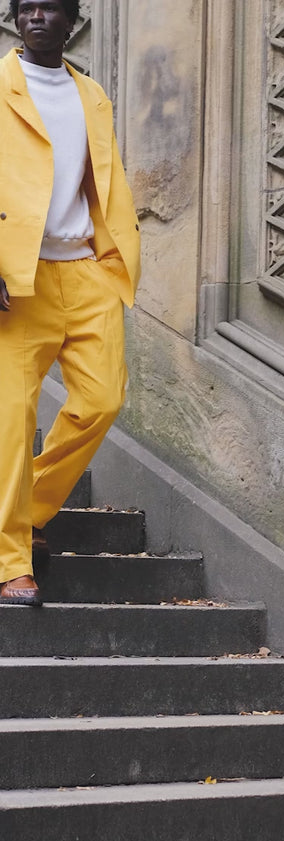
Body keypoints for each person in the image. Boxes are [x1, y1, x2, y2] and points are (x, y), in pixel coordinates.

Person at [0, 0, 141, 606]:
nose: (36, 17)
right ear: (12, 19)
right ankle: (10, 564)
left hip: (85, 271)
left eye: (49, 9)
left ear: (71, 22)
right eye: (25, 8)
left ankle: (25, 513)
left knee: (102, 399)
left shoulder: (93, 95)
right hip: (17, 279)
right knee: (10, 421)